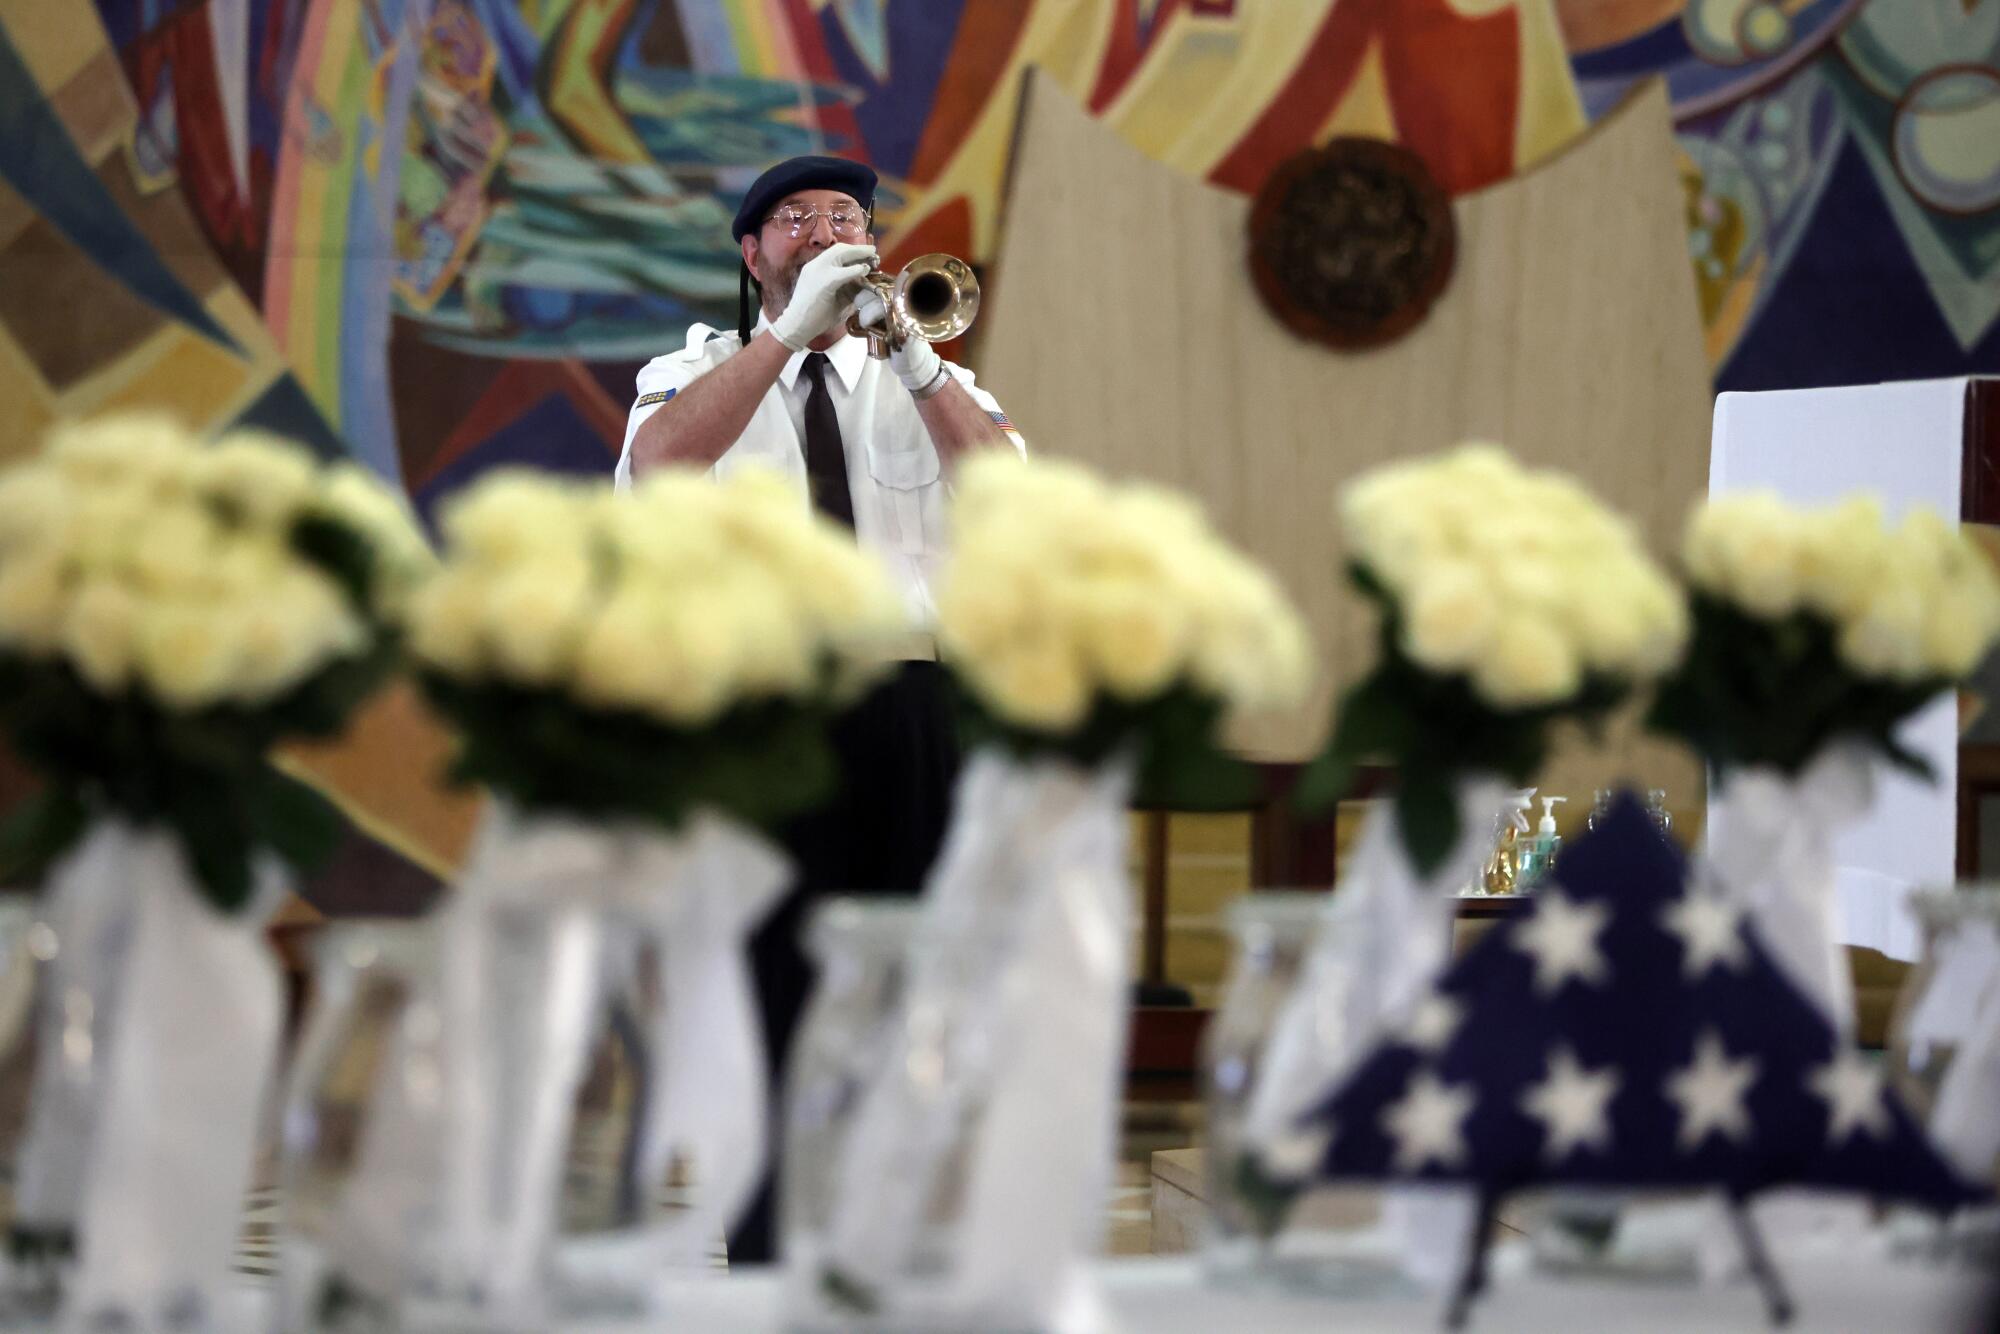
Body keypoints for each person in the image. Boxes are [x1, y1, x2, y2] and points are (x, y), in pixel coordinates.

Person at [615, 154, 1021, 1263]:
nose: (826, 228)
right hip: (765, 708)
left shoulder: (926, 371)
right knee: (768, 977)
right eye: (795, 217)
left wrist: (922, 363)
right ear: (753, 256)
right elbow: (656, 468)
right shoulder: (692, 370)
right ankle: (763, 1247)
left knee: (918, 968)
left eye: (846, 215)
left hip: (907, 697)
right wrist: (783, 336)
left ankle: (902, 1240)